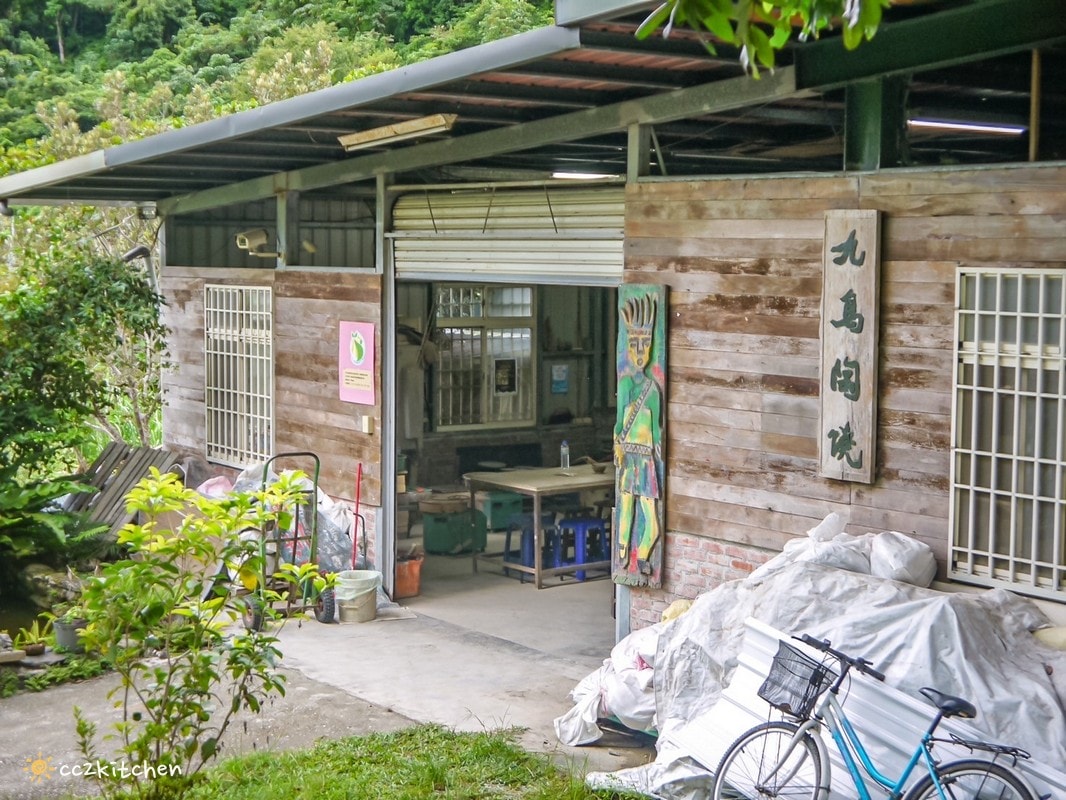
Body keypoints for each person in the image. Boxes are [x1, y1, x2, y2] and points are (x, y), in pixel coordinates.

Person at [614, 291, 664, 578]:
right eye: (635, 344)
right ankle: (623, 557)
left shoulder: (653, 391)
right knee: (626, 513)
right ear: (629, 349)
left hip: (646, 463)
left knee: (652, 524)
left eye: (646, 344)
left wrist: (657, 446)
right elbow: (620, 426)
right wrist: (617, 446)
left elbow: (657, 431)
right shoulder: (626, 388)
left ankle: (642, 557)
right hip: (630, 456)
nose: (641, 351)